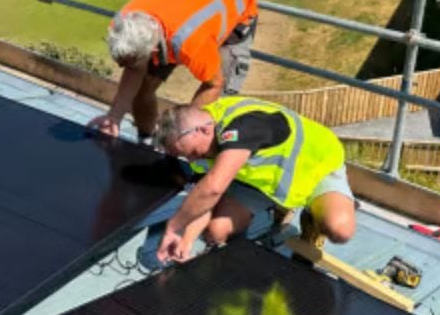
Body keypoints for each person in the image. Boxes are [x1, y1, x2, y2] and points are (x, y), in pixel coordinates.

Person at [152, 96, 356, 264]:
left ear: (204, 130)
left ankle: (312, 220)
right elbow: (202, 197)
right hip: (261, 183)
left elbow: (213, 188)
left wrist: (174, 227)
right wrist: (184, 243)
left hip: (315, 167)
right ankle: (279, 207)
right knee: (216, 233)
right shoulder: (202, 143)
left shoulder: (243, 125)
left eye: (193, 152)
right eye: (186, 156)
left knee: (340, 230)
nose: (192, 159)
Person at [87, 0, 258, 143]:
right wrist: (113, 117)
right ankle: (147, 142)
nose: (121, 67)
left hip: (236, 9)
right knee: (143, 89)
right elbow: (134, 69)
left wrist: (183, 134)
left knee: (217, 107)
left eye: (130, 61)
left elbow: (215, 84)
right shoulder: (123, 24)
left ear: (152, 50)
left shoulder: (190, 43)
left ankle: (202, 158)